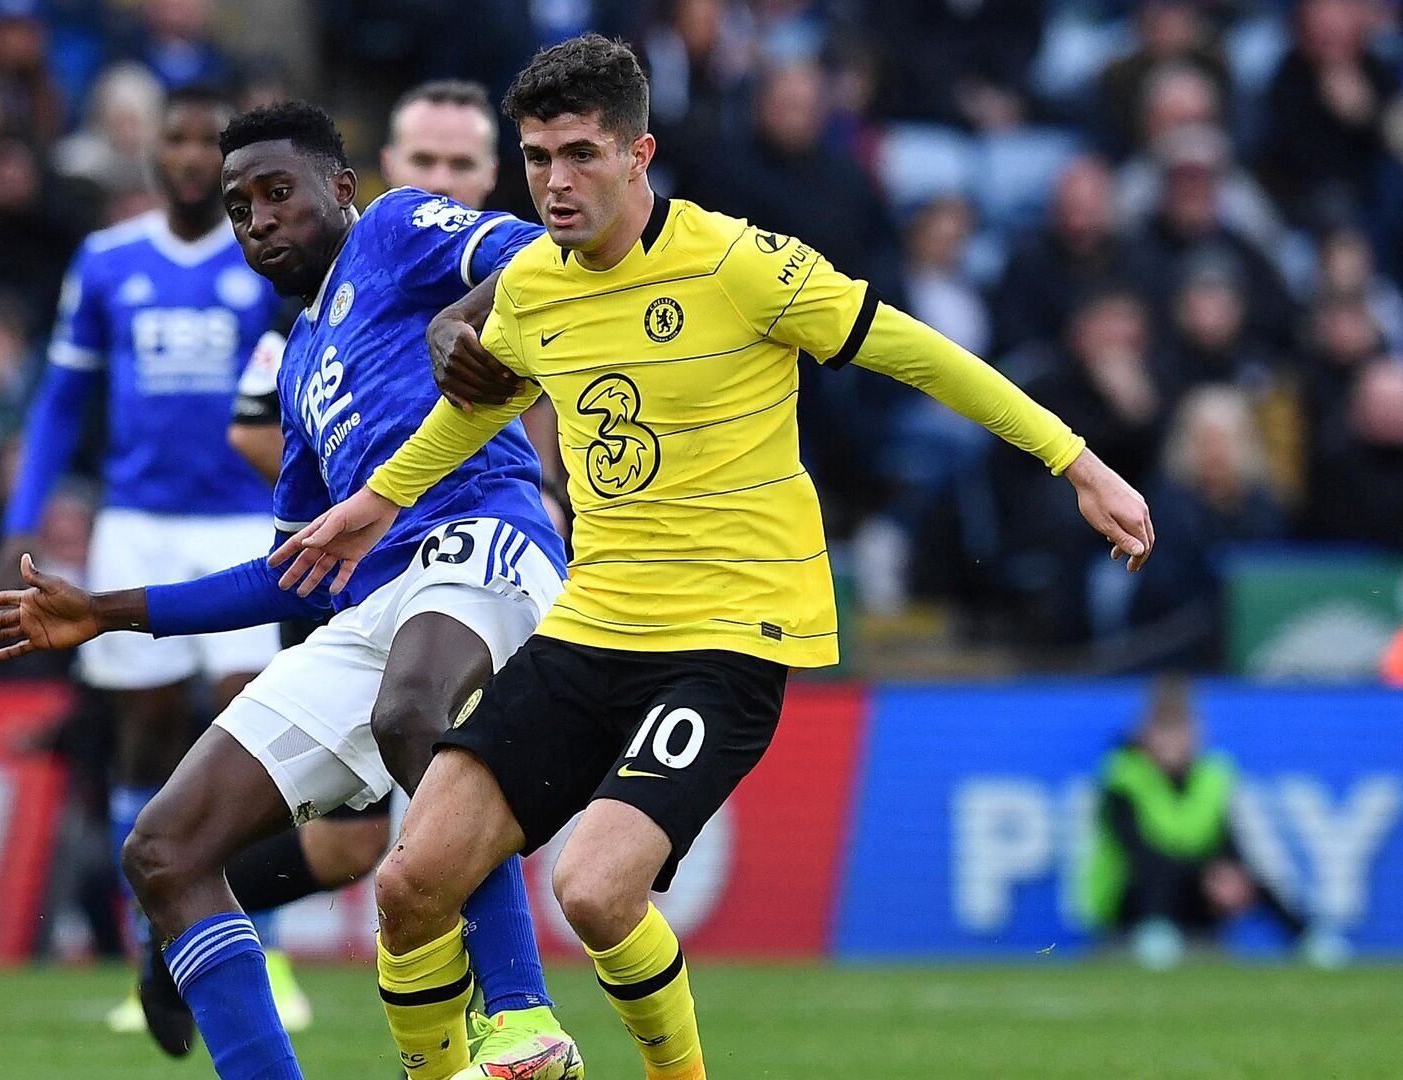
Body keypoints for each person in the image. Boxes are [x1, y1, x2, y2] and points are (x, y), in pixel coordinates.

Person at [275, 35, 1154, 1080]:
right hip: (592, 627)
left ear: (639, 153)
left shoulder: (742, 265)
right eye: (539, 158)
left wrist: (1077, 460)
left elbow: (917, 350)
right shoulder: (533, 290)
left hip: (729, 637)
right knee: (410, 887)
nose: (556, 182)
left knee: (596, 889)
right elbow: (481, 409)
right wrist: (373, 505)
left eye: (581, 156)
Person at [0, 101, 582, 1080]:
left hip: (486, 542)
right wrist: (104, 612)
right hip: (374, 608)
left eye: (276, 192)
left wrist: (461, 320)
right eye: (237, 205)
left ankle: (519, 1022)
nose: (257, 218)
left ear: (342, 187)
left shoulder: (392, 230)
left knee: (415, 710)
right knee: (164, 849)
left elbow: (544, 256)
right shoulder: (298, 369)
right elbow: (292, 572)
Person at [210, 80, 557, 988]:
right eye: (427, 161)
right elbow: (254, 429)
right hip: (380, 571)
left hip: (496, 546)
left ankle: (515, 1010)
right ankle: (194, 931)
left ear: (490, 174)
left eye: (461, 165)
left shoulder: (511, 277)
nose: (442, 176)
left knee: (430, 796)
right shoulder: (318, 324)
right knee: (366, 839)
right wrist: (371, 507)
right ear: (383, 174)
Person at [0, 83, 291, 1048]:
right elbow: (58, 402)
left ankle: (267, 948)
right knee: (147, 740)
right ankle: (148, 953)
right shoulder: (109, 261)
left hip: (248, 521)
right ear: (155, 153)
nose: (193, 158)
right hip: (136, 523)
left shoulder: (269, 261)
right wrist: (23, 517)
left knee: (251, 728)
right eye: (178, 140)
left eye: (211, 143)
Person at [1081, 679, 1344, 969]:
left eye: (1179, 731)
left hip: (1193, 890)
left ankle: (1307, 939)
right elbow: (1136, 849)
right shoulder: (1122, 776)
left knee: (1247, 875)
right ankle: (1154, 932)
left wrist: (1228, 873)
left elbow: (1227, 839)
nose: (1172, 742)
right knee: (1159, 871)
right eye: (1163, 731)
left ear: (1196, 734)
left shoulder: (1213, 776)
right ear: (1145, 735)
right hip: (1129, 896)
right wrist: (1204, 870)